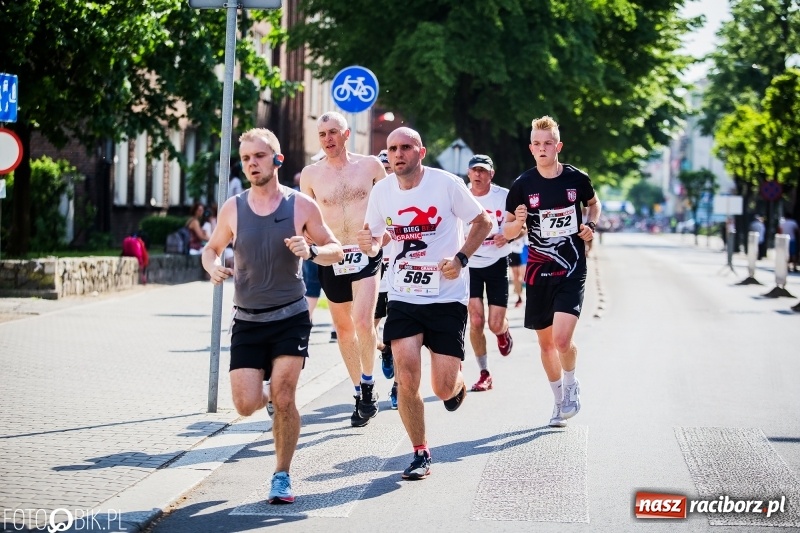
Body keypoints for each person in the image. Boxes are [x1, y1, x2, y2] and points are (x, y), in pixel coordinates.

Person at [202, 128, 343, 505]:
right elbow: (211, 248)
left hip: (290, 317)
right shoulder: (234, 208)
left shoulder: (301, 206)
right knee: (245, 404)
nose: (252, 164)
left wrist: (312, 251)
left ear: (277, 160)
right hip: (247, 319)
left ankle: (281, 475)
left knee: (284, 396)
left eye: (259, 156)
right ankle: (263, 395)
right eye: (246, 158)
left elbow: (336, 249)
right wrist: (212, 266)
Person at [358, 127, 492, 480]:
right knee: (406, 377)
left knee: (442, 388)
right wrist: (370, 245)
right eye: (392, 149)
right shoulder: (382, 192)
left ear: (421, 152)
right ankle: (420, 452)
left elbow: (484, 221)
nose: (397, 154)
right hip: (403, 295)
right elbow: (375, 240)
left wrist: (461, 259)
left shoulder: (446, 184)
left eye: (406, 147)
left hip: (446, 297)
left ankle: (456, 383)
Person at [503, 115, 601, 428]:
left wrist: (590, 225)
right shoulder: (522, 185)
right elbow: (506, 231)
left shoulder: (576, 178)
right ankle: (559, 401)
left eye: (548, 143)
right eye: (537, 143)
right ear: (531, 148)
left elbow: (594, 204)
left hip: (571, 267)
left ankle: (571, 384)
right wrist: (518, 222)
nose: (542, 148)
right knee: (545, 345)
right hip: (538, 271)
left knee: (561, 340)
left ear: (558, 146)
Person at [300, 111, 388, 427]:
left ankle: (369, 383)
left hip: (366, 254)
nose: (328, 139)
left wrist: (379, 240)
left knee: (363, 321)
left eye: (333, 132)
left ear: (346, 134)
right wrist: (307, 239)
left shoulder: (371, 166)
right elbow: (306, 218)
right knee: (344, 328)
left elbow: (392, 208)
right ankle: (359, 392)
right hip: (333, 257)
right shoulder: (310, 175)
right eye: (322, 134)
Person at [463, 154, 517, 393]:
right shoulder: (461, 196)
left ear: (491, 174)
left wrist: (508, 235)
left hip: (497, 262)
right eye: (474, 170)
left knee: (494, 324)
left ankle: (503, 332)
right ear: (468, 173)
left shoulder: (504, 196)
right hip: (470, 264)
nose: (478, 174)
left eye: (483, 170)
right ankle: (484, 372)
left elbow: (522, 226)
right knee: (476, 320)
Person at [374, 149, 398, 409]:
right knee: (366, 330)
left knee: (402, 334)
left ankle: (398, 387)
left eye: (388, 168)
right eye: (381, 168)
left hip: (400, 273)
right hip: (375, 272)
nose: (384, 173)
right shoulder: (371, 197)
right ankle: (385, 349)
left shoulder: (406, 194)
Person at [508, 236, 526, 308]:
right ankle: (519, 297)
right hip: (513, 251)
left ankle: (524, 294)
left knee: (524, 275)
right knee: (515, 276)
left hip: (524, 250)